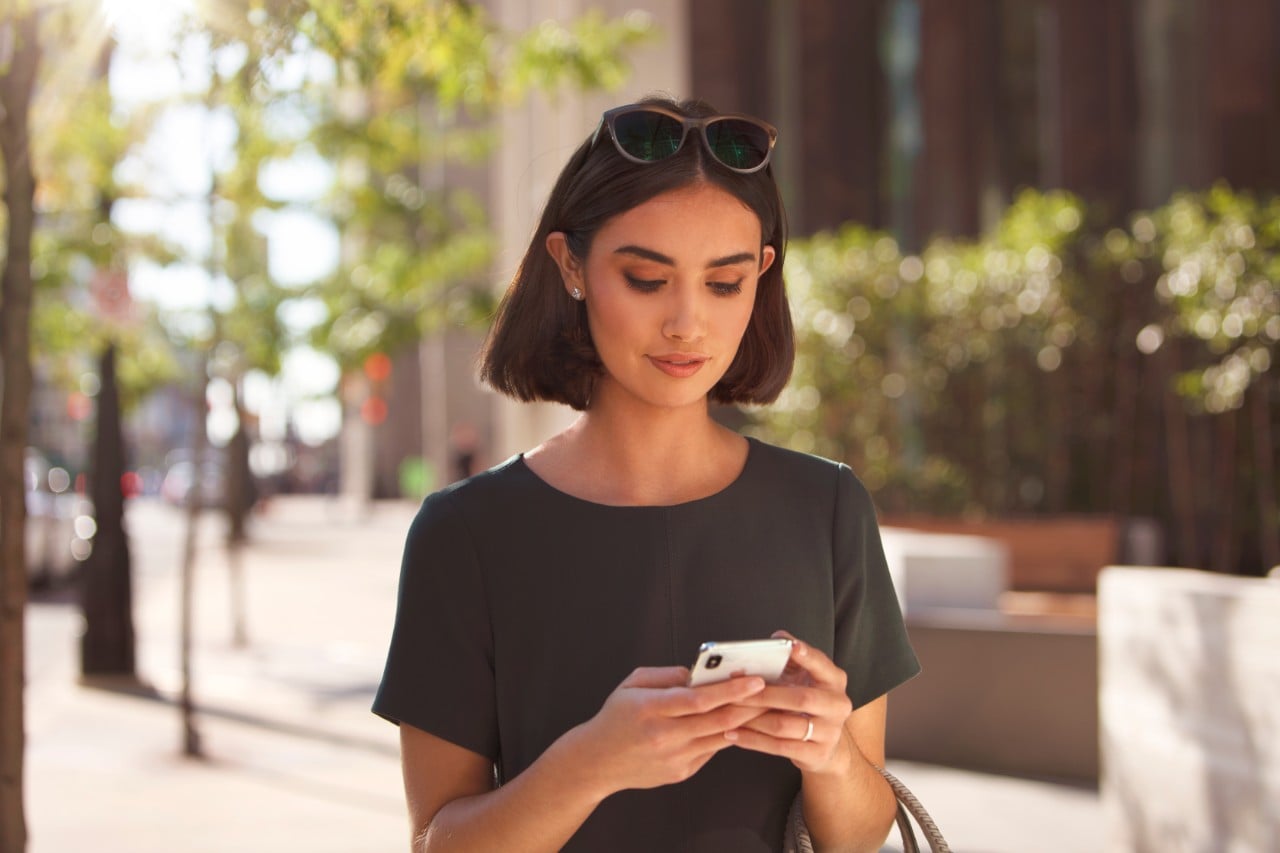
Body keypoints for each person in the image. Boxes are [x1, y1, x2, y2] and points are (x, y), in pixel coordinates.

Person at [373, 96, 920, 852]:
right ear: (571, 266)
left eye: (724, 283)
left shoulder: (828, 508)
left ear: (760, 276)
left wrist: (830, 753)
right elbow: (438, 840)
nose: (687, 323)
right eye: (645, 278)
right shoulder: (465, 532)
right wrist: (591, 762)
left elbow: (859, 837)